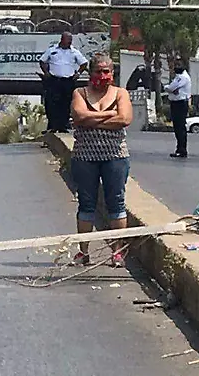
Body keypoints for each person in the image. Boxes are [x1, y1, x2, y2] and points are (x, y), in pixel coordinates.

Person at [69, 54, 133, 267]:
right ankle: (83, 251)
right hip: (85, 157)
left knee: (116, 202)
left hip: (115, 157)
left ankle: (117, 252)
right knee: (86, 204)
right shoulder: (80, 93)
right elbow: (78, 116)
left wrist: (91, 120)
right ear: (91, 73)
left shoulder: (120, 93)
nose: (103, 76)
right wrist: (109, 116)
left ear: (112, 74)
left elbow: (124, 119)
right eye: (99, 71)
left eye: (107, 72)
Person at [39, 32, 88, 133]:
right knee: (52, 103)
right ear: (62, 39)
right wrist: (46, 72)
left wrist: (78, 73)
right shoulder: (52, 50)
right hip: (54, 80)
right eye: (67, 40)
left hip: (68, 81)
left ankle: (63, 126)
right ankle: (52, 126)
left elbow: (84, 63)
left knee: (65, 103)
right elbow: (42, 61)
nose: (69, 42)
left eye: (70, 40)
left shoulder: (74, 52)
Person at [165, 63, 192, 159]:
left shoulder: (183, 77)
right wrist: (169, 89)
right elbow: (171, 88)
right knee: (177, 127)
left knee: (180, 127)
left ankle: (182, 150)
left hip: (180, 103)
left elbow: (171, 87)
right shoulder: (179, 77)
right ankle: (179, 148)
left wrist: (168, 88)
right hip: (176, 103)